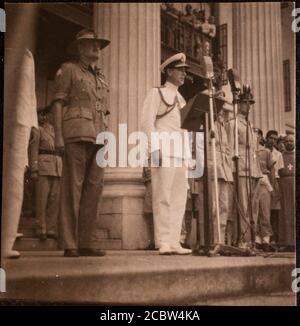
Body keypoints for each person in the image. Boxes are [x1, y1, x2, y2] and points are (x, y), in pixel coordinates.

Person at [51, 29, 110, 257]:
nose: (96, 47)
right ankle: (69, 243)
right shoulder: (69, 70)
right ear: (79, 48)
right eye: (90, 44)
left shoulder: (101, 78)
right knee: (71, 189)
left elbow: (104, 111)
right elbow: (58, 103)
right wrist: (58, 135)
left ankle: (86, 241)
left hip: (99, 136)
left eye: (98, 44)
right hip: (76, 133)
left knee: (94, 190)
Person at [141, 53, 192, 255]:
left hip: (180, 153)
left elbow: (183, 129)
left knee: (179, 198)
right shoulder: (157, 93)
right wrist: (154, 150)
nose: (184, 74)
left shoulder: (181, 98)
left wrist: (188, 156)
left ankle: (174, 241)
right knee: (163, 196)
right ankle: (162, 241)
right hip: (163, 150)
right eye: (180, 70)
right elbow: (147, 123)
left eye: (185, 70)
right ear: (169, 71)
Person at [226, 87, 262, 250]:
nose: (248, 106)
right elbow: (231, 149)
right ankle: (241, 239)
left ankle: (251, 239)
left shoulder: (250, 124)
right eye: (245, 103)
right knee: (242, 206)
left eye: (250, 103)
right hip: (240, 169)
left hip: (253, 170)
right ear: (239, 104)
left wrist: (258, 171)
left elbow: (253, 150)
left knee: (253, 207)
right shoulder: (233, 124)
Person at [28, 106, 62, 240]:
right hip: (43, 167)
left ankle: (51, 229)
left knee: (54, 200)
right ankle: (41, 228)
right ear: (45, 116)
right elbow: (33, 150)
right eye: (51, 114)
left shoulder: (57, 131)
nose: (54, 116)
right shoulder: (38, 131)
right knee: (42, 200)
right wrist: (34, 169)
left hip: (57, 167)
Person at [208, 96, 234, 245]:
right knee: (213, 206)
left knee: (224, 206)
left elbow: (228, 149)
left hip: (225, 169)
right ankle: (212, 239)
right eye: (221, 110)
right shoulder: (207, 124)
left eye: (224, 111)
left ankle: (220, 239)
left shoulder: (222, 128)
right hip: (213, 168)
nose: (223, 113)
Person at [252, 129, 276, 251]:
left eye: (258, 135)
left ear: (261, 138)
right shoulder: (249, 151)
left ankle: (266, 239)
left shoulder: (266, 152)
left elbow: (271, 170)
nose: (255, 137)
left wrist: (272, 186)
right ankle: (256, 239)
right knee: (254, 211)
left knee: (265, 212)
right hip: (252, 183)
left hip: (264, 182)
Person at [265, 130, 284, 245]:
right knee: (265, 210)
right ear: (266, 138)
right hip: (264, 180)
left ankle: (274, 238)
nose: (273, 141)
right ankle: (264, 237)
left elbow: (279, 172)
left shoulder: (278, 154)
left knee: (274, 210)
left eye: (275, 139)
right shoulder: (261, 150)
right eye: (271, 138)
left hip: (275, 181)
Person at [278, 135, 295, 252]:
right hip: (284, 185)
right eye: (287, 141)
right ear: (284, 143)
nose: (289, 143)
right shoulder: (280, 156)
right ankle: (286, 242)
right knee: (285, 212)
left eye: (291, 141)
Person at [142, 167, 155, 250]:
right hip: (149, 184)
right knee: (149, 213)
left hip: (158, 183)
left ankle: (157, 241)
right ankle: (152, 241)